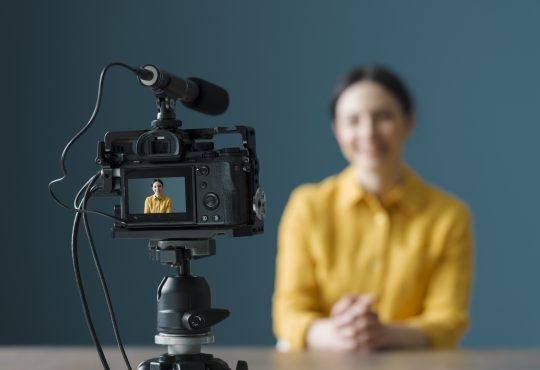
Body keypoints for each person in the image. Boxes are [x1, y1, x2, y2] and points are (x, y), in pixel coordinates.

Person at [272, 66, 474, 352]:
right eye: (353, 120)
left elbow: (448, 319)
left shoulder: (449, 215)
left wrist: (384, 334)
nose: (368, 132)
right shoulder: (307, 206)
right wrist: (341, 333)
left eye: (383, 117)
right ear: (337, 130)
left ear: (409, 123)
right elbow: (289, 312)